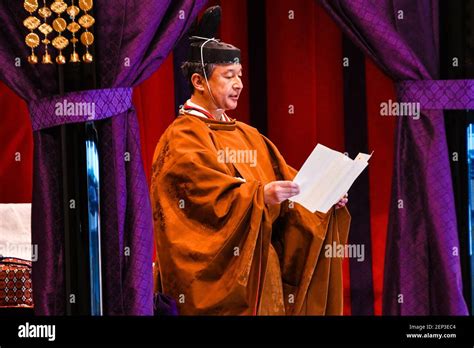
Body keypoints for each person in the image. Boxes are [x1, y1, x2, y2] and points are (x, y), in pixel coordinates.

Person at [150, 6, 350, 315]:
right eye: (228, 76)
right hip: (227, 289)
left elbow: (292, 185)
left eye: (240, 76)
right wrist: (259, 197)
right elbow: (200, 209)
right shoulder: (181, 140)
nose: (239, 84)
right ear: (199, 82)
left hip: (263, 278)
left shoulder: (248, 135)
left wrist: (324, 198)